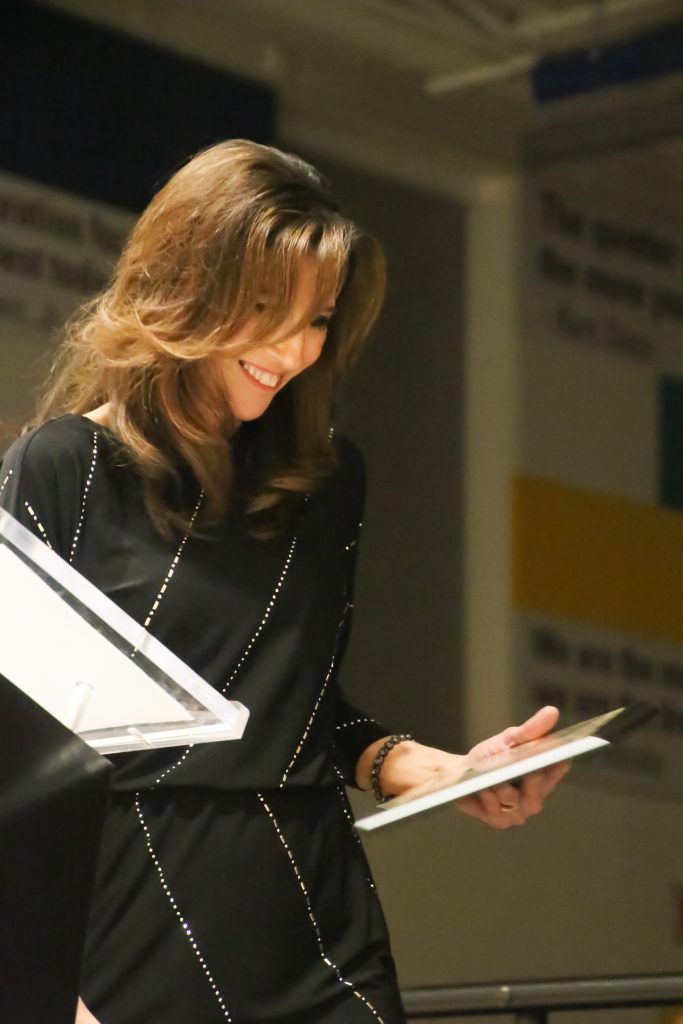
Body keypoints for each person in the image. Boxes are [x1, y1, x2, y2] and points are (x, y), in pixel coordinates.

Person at [0, 140, 567, 1024]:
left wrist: (433, 770)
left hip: (316, 924)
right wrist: (41, 992)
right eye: (264, 307)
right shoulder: (62, 468)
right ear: (186, 282)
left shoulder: (327, 481)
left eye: (316, 319)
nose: (292, 348)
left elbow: (301, 704)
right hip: (127, 927)